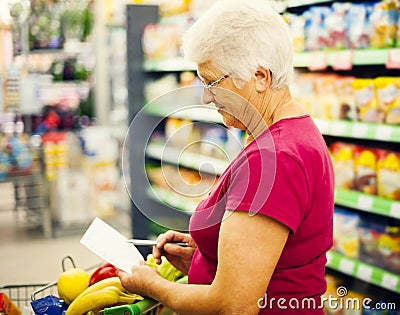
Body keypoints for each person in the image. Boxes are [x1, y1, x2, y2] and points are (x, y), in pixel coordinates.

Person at [117, 0, 334, 314]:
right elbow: (278, 257)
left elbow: (233, 305)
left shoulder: (274, 159)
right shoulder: (288, 131)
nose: (206, 96)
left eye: (212, 82)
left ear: (260, 77)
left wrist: (153, 285)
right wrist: (208, 254)